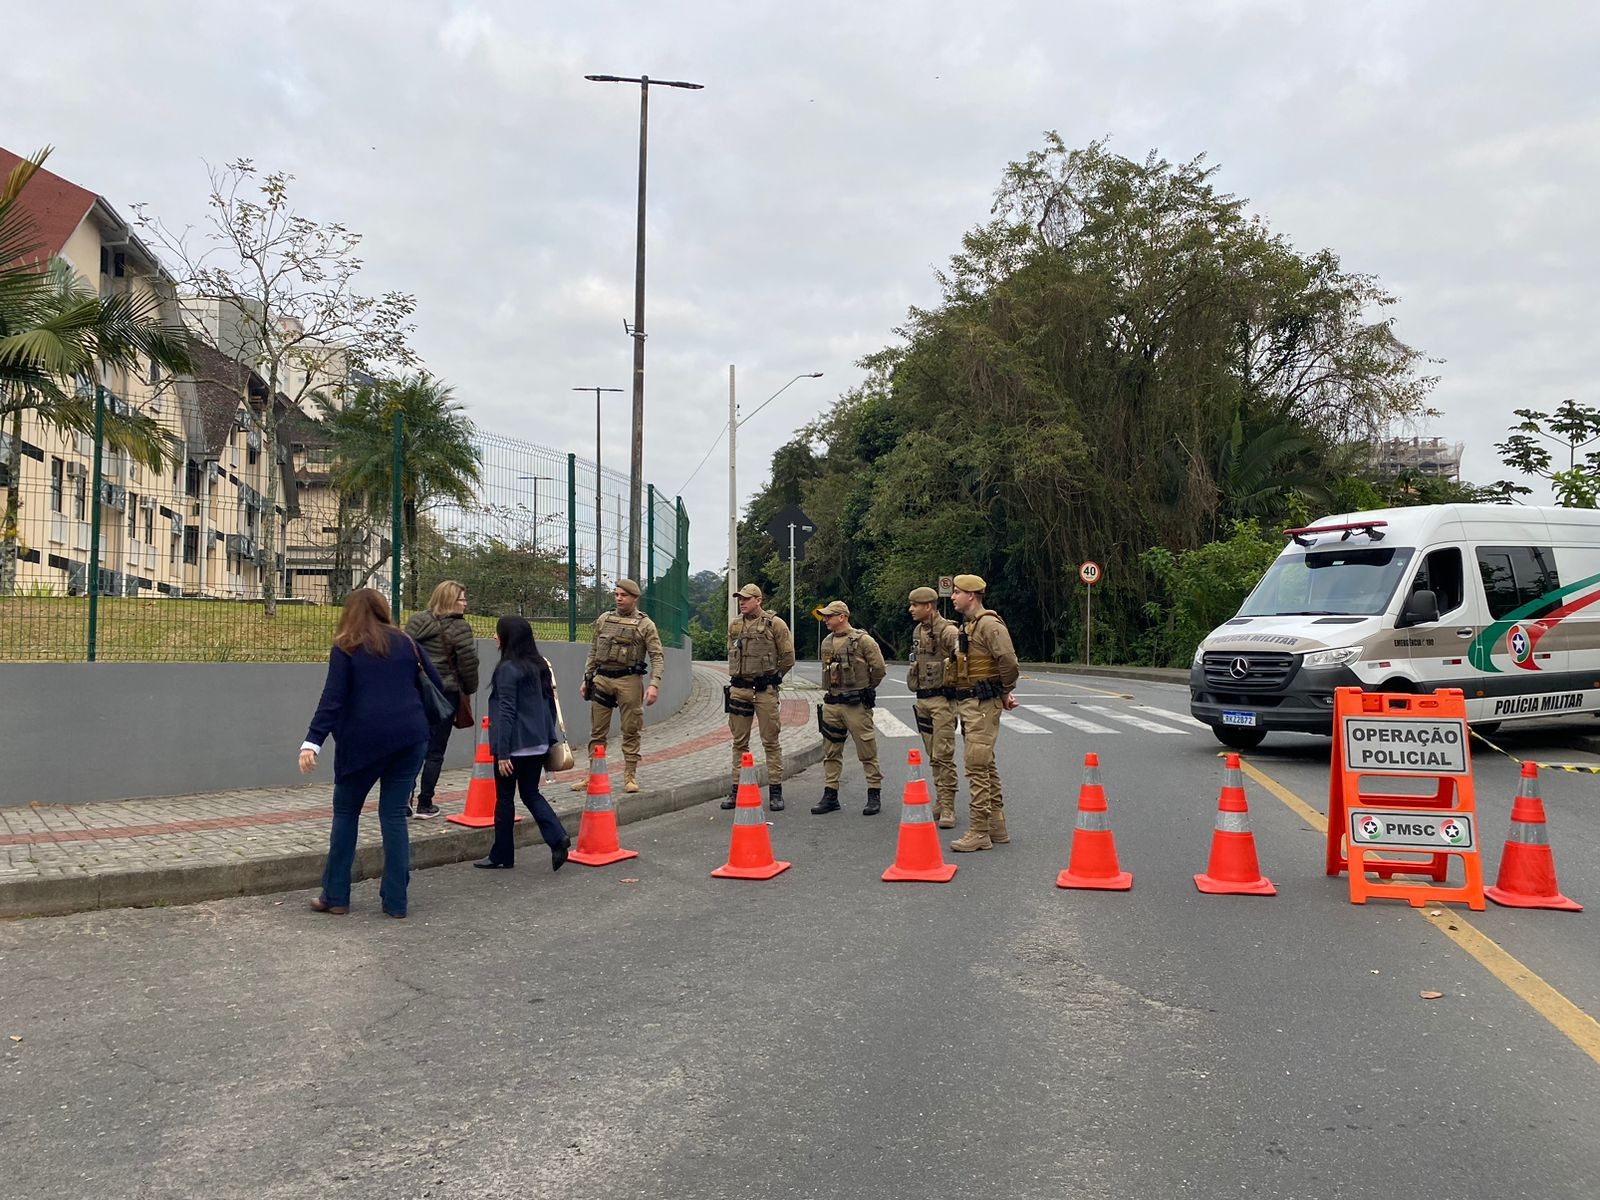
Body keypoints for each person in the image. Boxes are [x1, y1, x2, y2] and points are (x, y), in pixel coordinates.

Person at [299, 588, 443, 919]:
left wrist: (312, 741)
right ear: (383, 610)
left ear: (349, 612)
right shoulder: (407, 642)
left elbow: (332, 698)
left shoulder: (346, 645)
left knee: (346, 813)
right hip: (410, 739)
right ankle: (396, 902)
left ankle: (336, 896)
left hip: (362, 743)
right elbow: (437, 682)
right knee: (393, 815)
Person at [474, 615, 572, 872]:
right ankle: (557, 837)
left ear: (507, 638)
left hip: (514, 745)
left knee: (505, 799)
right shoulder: (540, 664)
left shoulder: (507, 669)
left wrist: (503, 752)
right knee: (530, 793)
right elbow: (550, 705)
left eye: (498, 633)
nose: (495, 637)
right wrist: (547, 740)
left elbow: (506, 712)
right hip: (538, 743)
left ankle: (502, 854)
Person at [946, 574, 1020, 852]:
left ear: (971, 596)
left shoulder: (988, 624)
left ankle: (979, 831)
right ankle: (997, 827)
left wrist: (1004, 689)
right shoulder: (970, 625)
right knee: (985, 762)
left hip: (982, 703)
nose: (953, 596)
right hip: (971, 703)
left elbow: (1009, 661)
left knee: (976, 764)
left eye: (957, 592)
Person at [572, 579, 664, 795]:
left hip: (629, 681)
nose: (619, 598)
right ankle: (594, 775)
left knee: (631, 730)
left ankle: (630, 776)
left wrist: (654, 684)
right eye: (616, 594)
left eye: (623, 595)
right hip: (602, 679)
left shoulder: (645, 625)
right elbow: (594, 651)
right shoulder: (604, 619)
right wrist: (587, 678)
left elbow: (657, 656)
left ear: (634, 598)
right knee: (597, 732)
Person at [404, 579, 480, 819]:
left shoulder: (416, 622)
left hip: (415, 692)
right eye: (462, 599)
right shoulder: (460, 628)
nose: (466, 604)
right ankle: (425, 804)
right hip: (444, 694)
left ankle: (403, 798)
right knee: (435, 751)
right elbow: (468, 663)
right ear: (450, 600)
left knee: (411, 747)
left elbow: (403, 652)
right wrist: (469, 688)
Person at [722, 583, 795, 812]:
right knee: (738, 742)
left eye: (746, 599)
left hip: (764, 691)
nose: (741, 602)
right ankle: (737, 789)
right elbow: (731, 652)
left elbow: (788, 656)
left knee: (770, 741)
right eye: (739, 599)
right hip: (740, 689)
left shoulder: (775, 624)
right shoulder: (735, 625)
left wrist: (774, 678)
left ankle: (775, 791)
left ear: (758, 600)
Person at [813, 600, 888, 815]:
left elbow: (879, 669)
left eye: (829, 616)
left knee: (866, 749)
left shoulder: (864, 641)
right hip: (833, 703)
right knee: (831, 750)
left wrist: (866, 689)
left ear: (842, 617)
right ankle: (830, 794)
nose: (826, 619)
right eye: (825, 616)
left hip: (856, 704)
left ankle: (874, 793)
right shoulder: (826, 642)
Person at [907, 585, 961, 828]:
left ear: (928, 606)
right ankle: (940, 798)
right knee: (932, 755)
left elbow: (962, 655)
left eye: (915, 605)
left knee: (944, 755)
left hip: (943, 701)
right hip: (923, 700)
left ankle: (948, 806)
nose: (911, 609)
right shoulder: (918, 630)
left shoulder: (948, 630)